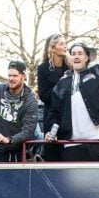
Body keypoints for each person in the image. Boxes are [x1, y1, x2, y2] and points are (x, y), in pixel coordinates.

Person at [46, 17, 99, 162]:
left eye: (80, 53)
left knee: (97, 182)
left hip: (96, 139)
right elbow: (55, 112)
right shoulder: (62, 83)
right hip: (71, 143)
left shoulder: (97, 73)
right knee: (72, 184)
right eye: (73, 53)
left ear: (87, 57)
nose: (76, 56)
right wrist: (52, 132)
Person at [0, 60, 39, 162]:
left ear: (23, 76)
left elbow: (28, 131)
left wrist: (8, 139)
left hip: (17, 153)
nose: (11, 79)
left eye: (15, 76)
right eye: (9, 75)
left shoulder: (30, 100)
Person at [36, 32, 69, 162]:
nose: (65, 46)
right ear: (53, 47)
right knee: (53, 154)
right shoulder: (43, 68)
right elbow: (44, 96)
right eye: (61, 44)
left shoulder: (70, 66)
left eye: (66, 43)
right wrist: (60, 83)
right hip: (52, 116)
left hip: (69, 116)